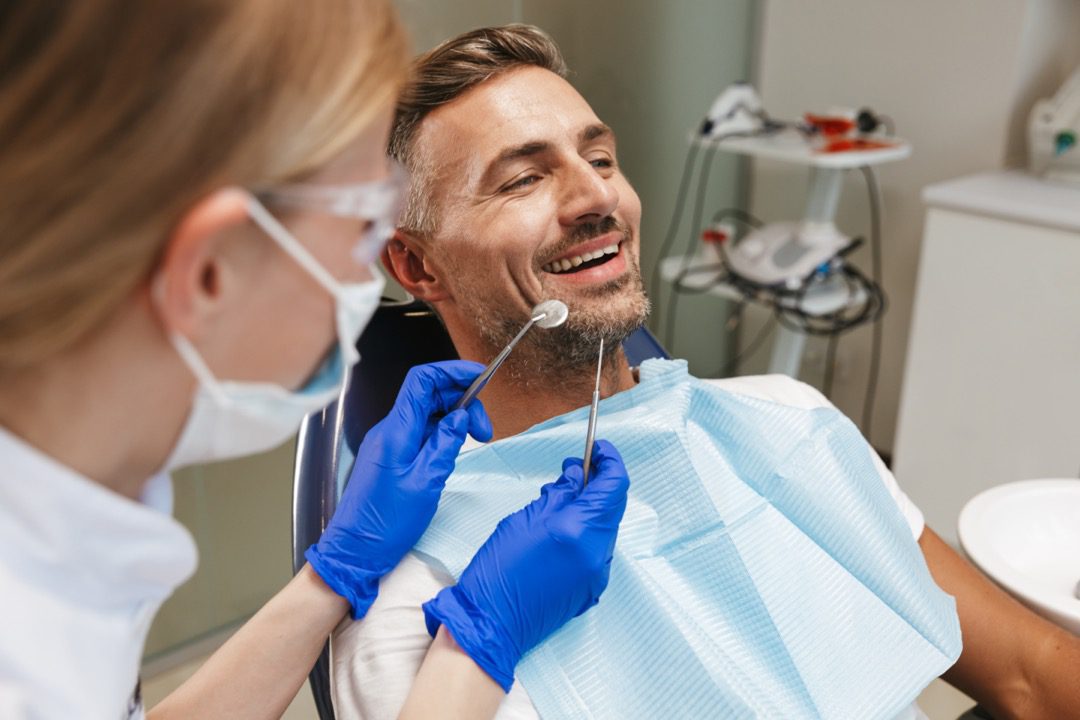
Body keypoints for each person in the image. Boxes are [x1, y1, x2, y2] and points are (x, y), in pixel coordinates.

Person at [331, 24, 1080, 720]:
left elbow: (1029, 673)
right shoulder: (425, 605)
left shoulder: (789, 422)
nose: (597, 197)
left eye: (600, 159)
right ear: (417, 264)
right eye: (524, 179)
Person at [0, 5, 631, 719]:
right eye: (363, 221)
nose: (597, 195)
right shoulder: (21, 653)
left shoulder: (65, 521)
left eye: (603, 159)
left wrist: (332, 577)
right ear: (207, 273)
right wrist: (476, 646)